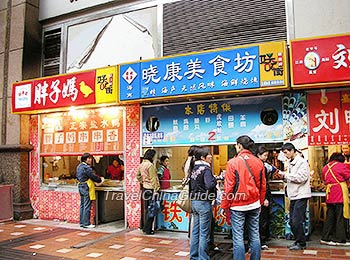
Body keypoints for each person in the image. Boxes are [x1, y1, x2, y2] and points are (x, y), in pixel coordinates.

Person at [221, 135, 266, 260]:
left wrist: (224, 206)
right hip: (255, 203)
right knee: (255, 235)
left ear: (239, 145)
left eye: (236, 145)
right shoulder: (259, 162)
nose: (236, 147)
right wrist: (260, 202)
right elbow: (263, 186)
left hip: (237, 205)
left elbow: (229, 187)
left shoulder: (232, 162)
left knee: (238, 237)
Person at [279, 142, 311, 250]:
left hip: (301, 195)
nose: (285, 155)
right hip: (294, 196)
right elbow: (292, 178)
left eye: (286, 152)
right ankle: (298, 241)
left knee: (297, 221)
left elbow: (302, 177)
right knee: (292, 221)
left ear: (292, 151)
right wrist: (284, 177)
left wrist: (286, 175)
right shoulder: (291, 162)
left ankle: (301, 243)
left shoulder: (302, 162)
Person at [189, 146, 217, 260]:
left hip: (194, 202)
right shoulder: (205, 169)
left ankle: (194, 256)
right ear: (203, 157)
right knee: (204, 233)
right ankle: (203, 257)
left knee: (195, 231)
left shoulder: (194, 168)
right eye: (209, 154)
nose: (211, 156)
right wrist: (215, 179)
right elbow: (209, 185)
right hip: (203, 202)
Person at [320, 152, 350, 246]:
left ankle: (325, 237)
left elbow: (324, 180)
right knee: (340, 217)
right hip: (339, 193)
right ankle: (340, 239)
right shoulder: (341, 166)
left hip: (330, 194)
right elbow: (348, 176)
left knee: (330, 217)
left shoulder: (325, 167)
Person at [255, 145, 277, 250]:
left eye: (266, 155)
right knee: (262, 218)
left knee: (263, 218)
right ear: (258, 155)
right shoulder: (260, 166)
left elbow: (273, 169)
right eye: (264, 155)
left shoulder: (263, 165)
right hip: (262, 195)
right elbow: (262, 184)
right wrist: (264, 198)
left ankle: (262, 239)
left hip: (261, 194)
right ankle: (262, 240)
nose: (266, 157)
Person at [76, 153, 103, 228]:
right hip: (86, 187)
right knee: (87, 205)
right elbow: (93, 176)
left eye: (91, 158)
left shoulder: (79, 166)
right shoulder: (86, 168)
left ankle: (82, 222)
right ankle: (86, 223)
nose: (90, 160)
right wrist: (100, 180)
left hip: (80, 186)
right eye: (88, 158)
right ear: (85, 159)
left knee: (82, 205)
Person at [136, 149, 160, 235]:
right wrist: (156, 189)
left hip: (145, 189)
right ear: (152, 156)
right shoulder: (150, 165)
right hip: (151, 189)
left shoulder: (141, 164)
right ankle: (148, 229)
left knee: (147, 209)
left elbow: (137, 176)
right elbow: (153, 179)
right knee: (152, 209)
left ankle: (145, 227)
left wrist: (143, 182)